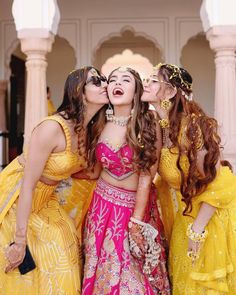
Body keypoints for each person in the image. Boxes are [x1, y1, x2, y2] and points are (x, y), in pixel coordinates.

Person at [0, 66, 108, 295]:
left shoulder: (90, 130)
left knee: (66, 255)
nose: (105, 85)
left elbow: (89, 173)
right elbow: (27, 185)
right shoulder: (52, 128)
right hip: (17, 201)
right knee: (25, 269)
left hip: (45, 201)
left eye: (104, 80)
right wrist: (19, 242)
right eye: (96, 81)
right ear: (79, 90)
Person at [141, 63, 236, 294]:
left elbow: (219, 181)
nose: (146, 83)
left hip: (207, 219)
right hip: (185, 218)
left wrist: (198, 229)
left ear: (172, 92)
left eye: (154, 80)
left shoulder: (192, 127)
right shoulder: (163, 127)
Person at [79, 67, 170, 295]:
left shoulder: (148, 123)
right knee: (103, 272)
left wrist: (136, 222)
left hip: (134, 209)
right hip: (101, 210)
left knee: (135, 279)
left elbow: (147, 176)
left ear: (137, 90)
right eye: (113, 80)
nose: (117, 83)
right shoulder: (98, 124)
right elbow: (94, 172)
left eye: (125, 79)